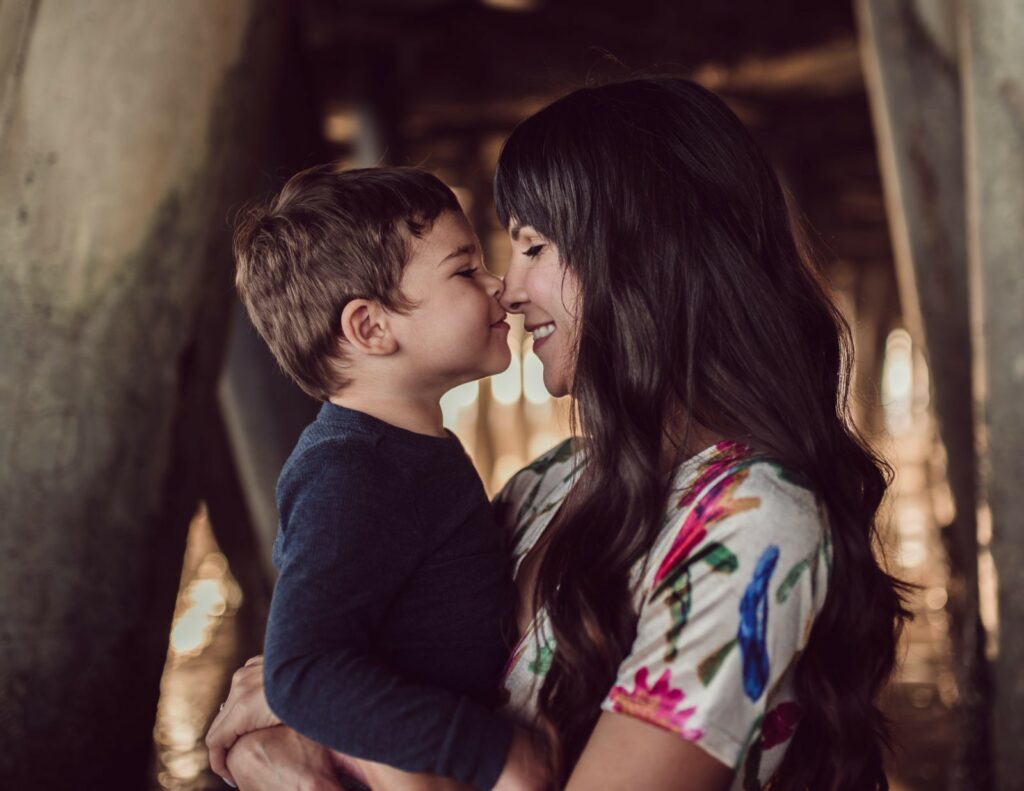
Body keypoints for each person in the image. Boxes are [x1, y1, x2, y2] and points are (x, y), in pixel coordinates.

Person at [208, 78, 909, 791]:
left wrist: (297, 760)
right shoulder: (547, 482)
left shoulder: (754, 524)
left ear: (642, 257)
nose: (508, 290)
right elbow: (352, 669)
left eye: (533, 247)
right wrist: (299, 720)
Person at [208, 164, 547, 791]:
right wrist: (496, 755)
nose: (500, 285)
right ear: (371, 328)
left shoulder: (399, 450)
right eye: (465, 269)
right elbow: (302, 671)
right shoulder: (350, 473)